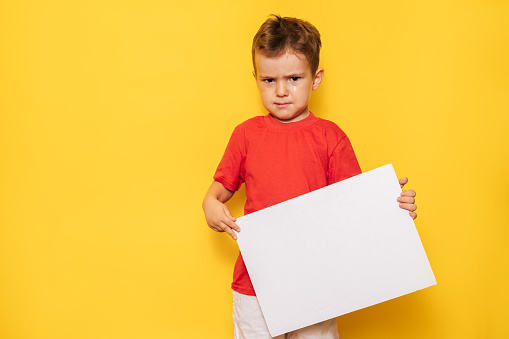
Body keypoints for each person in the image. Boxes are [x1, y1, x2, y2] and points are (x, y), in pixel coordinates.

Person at [202, 14, 417, 339]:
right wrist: (210, 207)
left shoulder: (331, 138)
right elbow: (215, 195)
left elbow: (357, 209)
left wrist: (394, 209)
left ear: (315, 78)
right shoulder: (246, 135)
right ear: (256, 78)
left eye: (294, 78)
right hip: (256, 281)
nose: (282, 91)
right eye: (269, 81)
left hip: (317, 282)